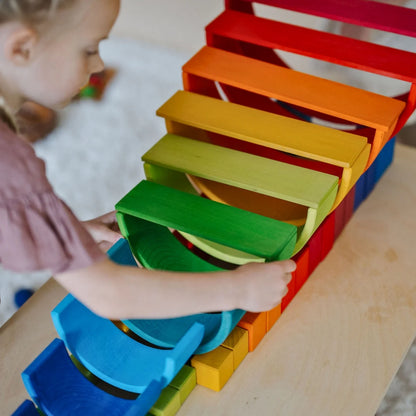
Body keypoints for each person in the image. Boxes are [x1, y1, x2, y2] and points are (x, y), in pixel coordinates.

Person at [0, 0, 296, 320]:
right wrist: (238, 289)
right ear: (23, 48)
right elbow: (110, 293)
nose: (99, 65)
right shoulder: (12, 166)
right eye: (88, 50)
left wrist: (61, 233)